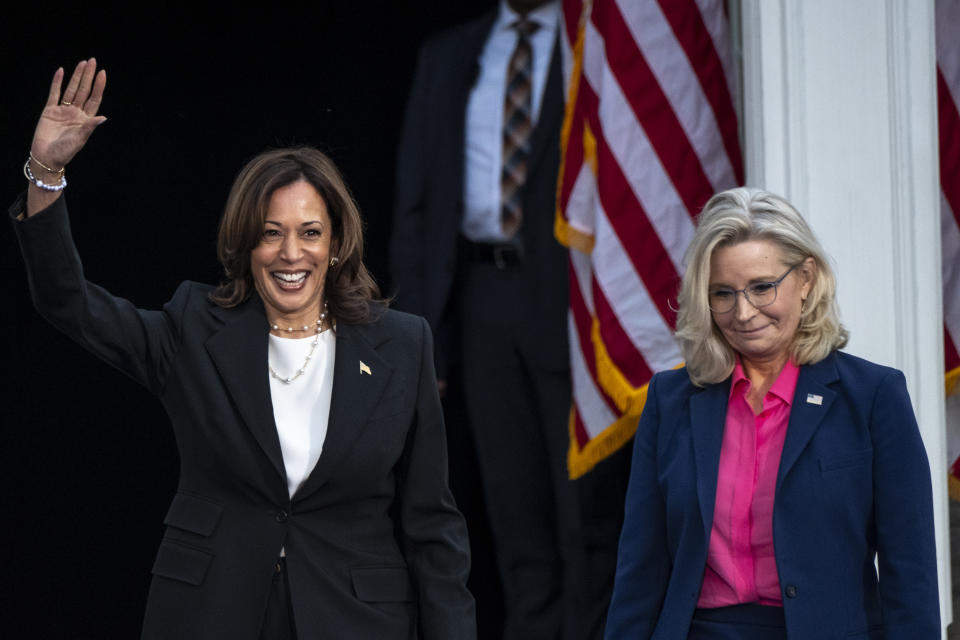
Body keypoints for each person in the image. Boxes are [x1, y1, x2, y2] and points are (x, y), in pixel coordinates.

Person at [11, 58, 476, 640]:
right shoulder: (193, 330)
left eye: (310, 232)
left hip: (354, 618)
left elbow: (433, 526)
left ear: (335, 245)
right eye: (270, 232)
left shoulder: (403, 346)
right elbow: (68, 303)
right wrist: (45, 173)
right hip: (211, 612)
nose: (290, 253)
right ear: (245, 243)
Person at [604, 187, 940, 639]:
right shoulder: (670, 399)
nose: (743, 312)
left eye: (762, 287)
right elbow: (639, 567)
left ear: (805, 279)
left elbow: (910, 572)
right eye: (723, 293)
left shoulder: (875, 396)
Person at [390, 1, 580, 637]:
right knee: (513, 515)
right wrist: (424, 338)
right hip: (481, 300)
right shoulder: (449, 53)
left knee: (586, 517)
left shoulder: (596, 44)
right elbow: (415, 207)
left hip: (576, 306)